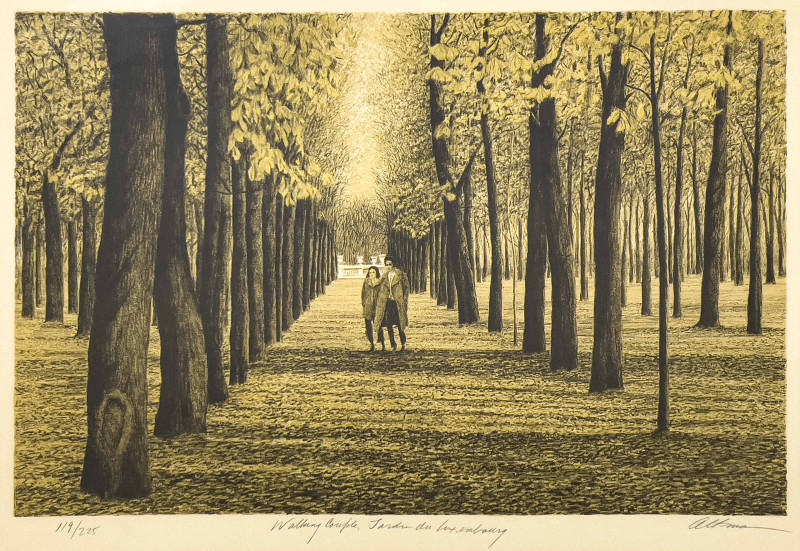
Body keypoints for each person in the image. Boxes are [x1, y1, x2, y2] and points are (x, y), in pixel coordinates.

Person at [374, 255, 410, 351]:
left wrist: (404, 300)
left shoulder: (401, 275)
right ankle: (393, 345)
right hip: (387, 303)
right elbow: (377, 284)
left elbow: (406, 289)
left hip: (397, 303)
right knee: (388, 324)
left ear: (393, 264)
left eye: (390, 264)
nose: (388, 266)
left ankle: (403, 343)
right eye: (386, 265)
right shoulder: (384, 276)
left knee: (400, 324)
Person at [361, 266, 381, 351]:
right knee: (368, 325)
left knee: (378, 325)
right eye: (370, 272)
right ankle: (372, 343)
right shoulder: (366, 281)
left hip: (377, 306)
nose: (371, 274)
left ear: (376, 273)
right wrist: (364, 303)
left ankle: (381, 343)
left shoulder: (380, 282)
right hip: (368, 306)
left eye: (373, 272)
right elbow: (363, 293)